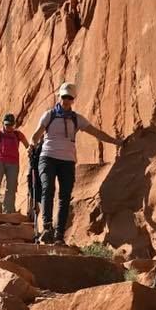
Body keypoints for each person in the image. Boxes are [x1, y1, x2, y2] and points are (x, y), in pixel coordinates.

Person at [29, 82, 123, 245]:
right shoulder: (49, 115)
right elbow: (36, 135)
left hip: (67, 160)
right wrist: (32, 144)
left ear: (73, 99)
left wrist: (115, 141)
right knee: (47, 188)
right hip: (47, 156)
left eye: (69, 97)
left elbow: (96, 132)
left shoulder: (76, 119)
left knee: (65, 196)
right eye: (64, 96)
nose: (66, 100)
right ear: (60, 97)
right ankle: (47, 228)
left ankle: (59, 234)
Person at [0, 114, 28, 214]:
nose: (9, 127)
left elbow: (27, 145)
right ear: (3, 124)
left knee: (11, 186)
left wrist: (31, 150)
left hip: (13, 163)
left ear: (14, 124)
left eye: (11, 125)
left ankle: (8, 210)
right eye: (7, 125)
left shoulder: (18, 134)